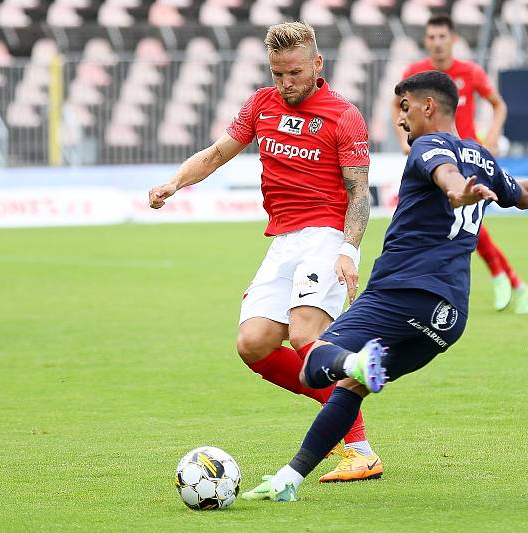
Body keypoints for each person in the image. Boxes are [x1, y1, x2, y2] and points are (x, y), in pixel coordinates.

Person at [242, 70, 528, 501]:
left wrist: (457, 191)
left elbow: (445, 175)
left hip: (401, 292)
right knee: (351, 388)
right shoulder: (481, 156)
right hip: (448, 316)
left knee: (315, 364)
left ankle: (356, 363)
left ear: (428, 106)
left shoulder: (430, 145)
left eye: (405, 108)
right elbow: (522, 192)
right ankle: (288, 480)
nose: (401, 120)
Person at [149, 22, 382, 482]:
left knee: (303, 334)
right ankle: (345, 417)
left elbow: (359, 194)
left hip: (325, 235)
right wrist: (173, 183)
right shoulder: (260, 104)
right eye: (277, 73)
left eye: (294, 72)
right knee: (252, 344)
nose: (285, 83)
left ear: (317, 64)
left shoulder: (343, 116)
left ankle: (359, 445)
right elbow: (216, 154)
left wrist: (349, 251)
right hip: (283, 240)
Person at [392, 14, 528, 314]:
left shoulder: (469, 72)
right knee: (465, 224)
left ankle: (506, 279)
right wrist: (406, 141)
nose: (437, 43)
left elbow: (498, 104)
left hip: (469, 160)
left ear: (453, 39)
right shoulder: (417, 75)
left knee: (465, 221)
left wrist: (493, 133)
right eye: (431, 37)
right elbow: (398, 106)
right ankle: (511, 280)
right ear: (426, 41)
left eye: (442, 37)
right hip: (436, 156)